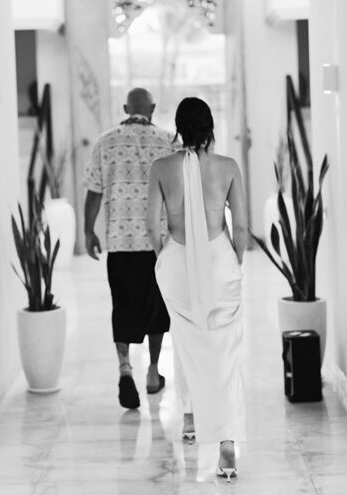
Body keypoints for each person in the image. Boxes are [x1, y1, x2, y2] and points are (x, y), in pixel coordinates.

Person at [146, 97, 247, 482]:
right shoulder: (227, 167)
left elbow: (152, 225)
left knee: (187, 342)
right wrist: (233, 260)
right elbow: (240, 227)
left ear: (178, 127)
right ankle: (227, 445)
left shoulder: (161, 168)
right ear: (210, 127)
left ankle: (189, 416)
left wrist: (166, 258)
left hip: (177, 262)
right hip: (219, 261)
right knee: (226, 353)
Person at [81, 88, 175, 409]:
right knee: (157, 307)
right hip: (158, 243)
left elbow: (94, 191)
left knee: (123, 305)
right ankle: (153, 371)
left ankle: (125, 369)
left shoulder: (105, 142)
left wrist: (88, 230)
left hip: (120, 243)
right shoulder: (168, 142)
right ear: (152, 108)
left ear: (125, 108)